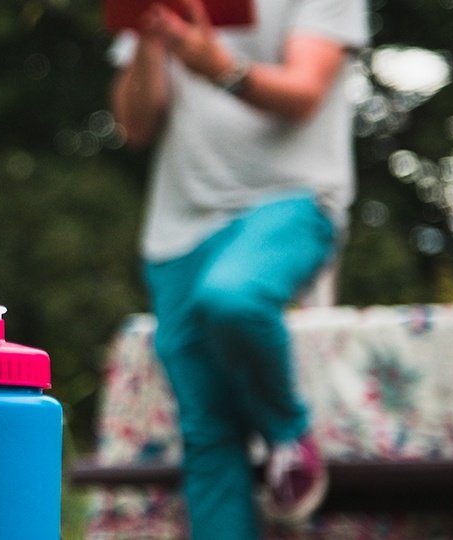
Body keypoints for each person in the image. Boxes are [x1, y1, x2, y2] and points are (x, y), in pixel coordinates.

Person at [108, 0, 368, 536]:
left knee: (232, 296)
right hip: (177, 227)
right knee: (207, 432)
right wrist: (153, 44)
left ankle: (288, 434)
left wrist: (218, 65)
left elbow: (304, 94)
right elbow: (134, 125)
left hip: (291, 200)